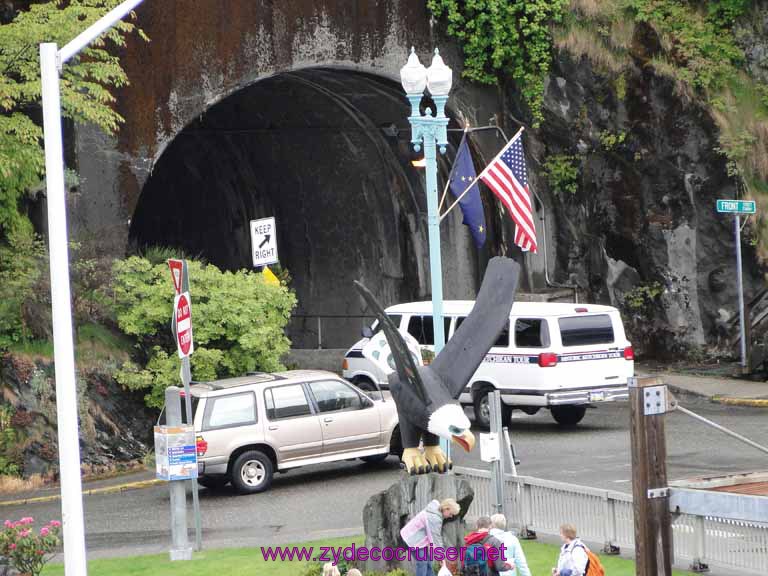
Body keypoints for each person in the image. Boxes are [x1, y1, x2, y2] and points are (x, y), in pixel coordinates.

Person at [401, 498, 461, 576]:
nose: (451, 516)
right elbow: (435, 539)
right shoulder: (434, 518)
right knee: (422, 562)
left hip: (417, 539)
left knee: (428, 563)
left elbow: (431, 536)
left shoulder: (435, 512)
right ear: (446, 508)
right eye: (451, 514)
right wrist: (441, 558)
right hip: (411, 539)